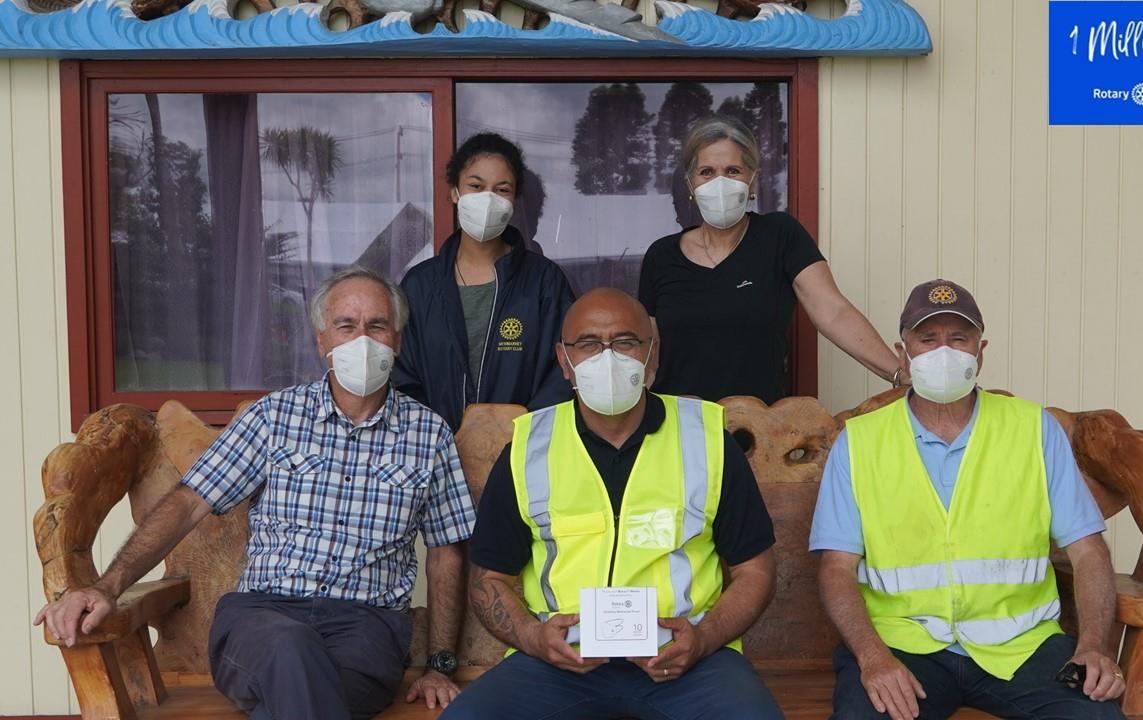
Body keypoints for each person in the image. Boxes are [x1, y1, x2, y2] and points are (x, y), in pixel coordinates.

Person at [34, 267, 477, 719]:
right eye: (346, 325)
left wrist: (439, 665)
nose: (362, 340)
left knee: (294, 690)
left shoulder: (428, 434)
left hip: (366, 629)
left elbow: (446, 552)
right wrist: (107, 587)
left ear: (397, 341)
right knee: (290, 648)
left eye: (377, 326)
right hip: (261, 617)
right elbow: (189, 503)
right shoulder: (274, 417)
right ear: (321, 341)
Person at [442, 288, 784, 720]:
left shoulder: (708, 441)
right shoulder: (528, 449)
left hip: (689, 660)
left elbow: (755, 570)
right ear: (564, 360)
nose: (607, 358)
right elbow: (488, 578)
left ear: (652, 355)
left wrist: (704, 638)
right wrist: (533, 638)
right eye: (588, 344)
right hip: (557, 662)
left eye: (625, 342)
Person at [810, 279, 1126, 720]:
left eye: (959, 339)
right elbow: (836, 568)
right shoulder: (859, 442)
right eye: (928, 339)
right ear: (903, 353)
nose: (944, 352)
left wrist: (1092, 645)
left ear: (981, 352)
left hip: (1023, 646)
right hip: (902, 645)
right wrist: (872, 656)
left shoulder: (1034, 429)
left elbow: (1088, 550)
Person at [638, 115, 901, 404]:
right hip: (680, 422)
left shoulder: (779, 236)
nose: (720, 183)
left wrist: (900, 374)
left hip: (759, 425)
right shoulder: (662, 255)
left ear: (752, 180)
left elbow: (833, 311)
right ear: (690, 184)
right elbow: (646, 348)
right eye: (707, 172)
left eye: (733, 171)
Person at [393, 132, 576, 432]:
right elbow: (402, 376)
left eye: (501, 189)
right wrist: (436, 438)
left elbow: (564, 371)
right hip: (433, 449)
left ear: (513, 200)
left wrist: (517, 434)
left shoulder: (544, 281)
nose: (488, 199)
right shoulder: (420, 285)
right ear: (455, 192)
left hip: (522, 449)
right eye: (476, 186)